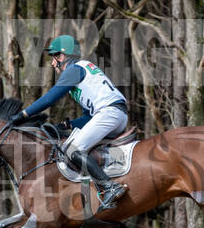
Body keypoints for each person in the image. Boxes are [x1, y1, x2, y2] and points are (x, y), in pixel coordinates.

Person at [10, 35, 128, 211]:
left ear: (63, 56)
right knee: (81, 147)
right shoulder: (84, 70)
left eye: (53, 57)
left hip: (109, 113)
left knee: (74, 150)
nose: (52, 63)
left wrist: (24, 114)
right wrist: (69, 125)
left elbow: (51, 97)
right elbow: (89, 117)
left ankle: (110, 187)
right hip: (115, 115)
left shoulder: (73, 70)